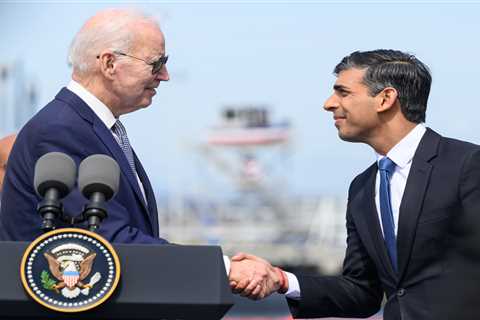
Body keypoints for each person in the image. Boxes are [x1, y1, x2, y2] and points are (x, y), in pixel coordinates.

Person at [0, 8, 277, 288]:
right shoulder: (61, 130)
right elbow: (108, 240)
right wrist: (224, 268)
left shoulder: (94, 127)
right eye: (156, 63)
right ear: (109, 63)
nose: (165, 76)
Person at [230, 49, 480, 320]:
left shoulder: (467, 165)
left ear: (385, 98)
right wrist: (282, 280)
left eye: (343, 92)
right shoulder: (362, 188)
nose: (328, 103)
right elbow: (362, 292)